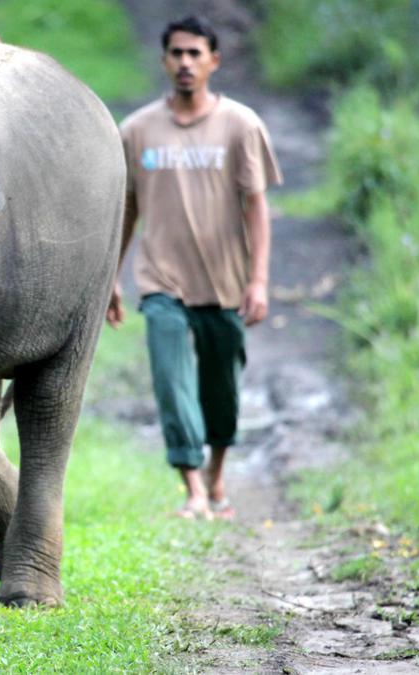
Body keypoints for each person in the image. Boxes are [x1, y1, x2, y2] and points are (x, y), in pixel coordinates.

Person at [107, 16, 282, 520]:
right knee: (170, 379)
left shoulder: (241, 126)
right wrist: (112, 278)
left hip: (225, 283)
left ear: (213, 61)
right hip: (162, 280)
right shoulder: (137, 131)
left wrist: (259, 281)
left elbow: (257, 208)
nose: (185, 62)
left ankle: (217, 476)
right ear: (164, 61)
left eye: (195, 54)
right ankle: (193, 489)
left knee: (221, 387)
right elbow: (127, 209)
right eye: (177, 53)